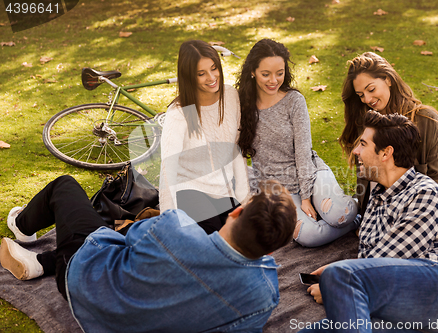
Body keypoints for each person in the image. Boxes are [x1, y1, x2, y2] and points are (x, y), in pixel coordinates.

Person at [1, 176, 296, 332]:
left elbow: (127, 237)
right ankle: (42, 261)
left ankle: (22, 226)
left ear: (238, 212)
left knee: (65, 186)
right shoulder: (265, 295)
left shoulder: (174, 227)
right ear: (271, 250)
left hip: (82, 279)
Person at [339, 51, 438, 283]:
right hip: (398, 212)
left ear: (388, 80)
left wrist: (429, 231)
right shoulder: (369, 125)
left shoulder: (427, 119)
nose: (366, 99)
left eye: (371, 89)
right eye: (360, 94)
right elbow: (366, 178)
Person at [302, 111, 438, 333]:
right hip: (394, 305)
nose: (355, 151)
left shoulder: (425, 193)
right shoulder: (377, 197)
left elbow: (387, 258)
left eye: (362, 144)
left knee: (340, 276)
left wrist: (337, 282)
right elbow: (369, 262)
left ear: (386, 153)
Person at [236, 39, 358, 248]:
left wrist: (306, 197)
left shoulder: (294, 101)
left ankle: (354, 215)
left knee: (341, 214)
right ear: (253, 72)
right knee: (308, 236)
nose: (274, 80)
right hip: (277, 189)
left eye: (280, 73)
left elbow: (303, 152)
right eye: (266, 74)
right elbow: (237, 154)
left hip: (310, 173)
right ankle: (352, 223)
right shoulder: (241, 105)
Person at [159, 40, 249, 235]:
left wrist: (245, 198)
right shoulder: (179, 112)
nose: (211, 77)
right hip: (190, 189)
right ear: (189, 77)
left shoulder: (231, 96)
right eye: (201, 74)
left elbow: (236, 149)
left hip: (223, 190)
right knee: (214, 241)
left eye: (214, 68)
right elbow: (168, 168)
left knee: (244, 237)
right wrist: (169, 220)